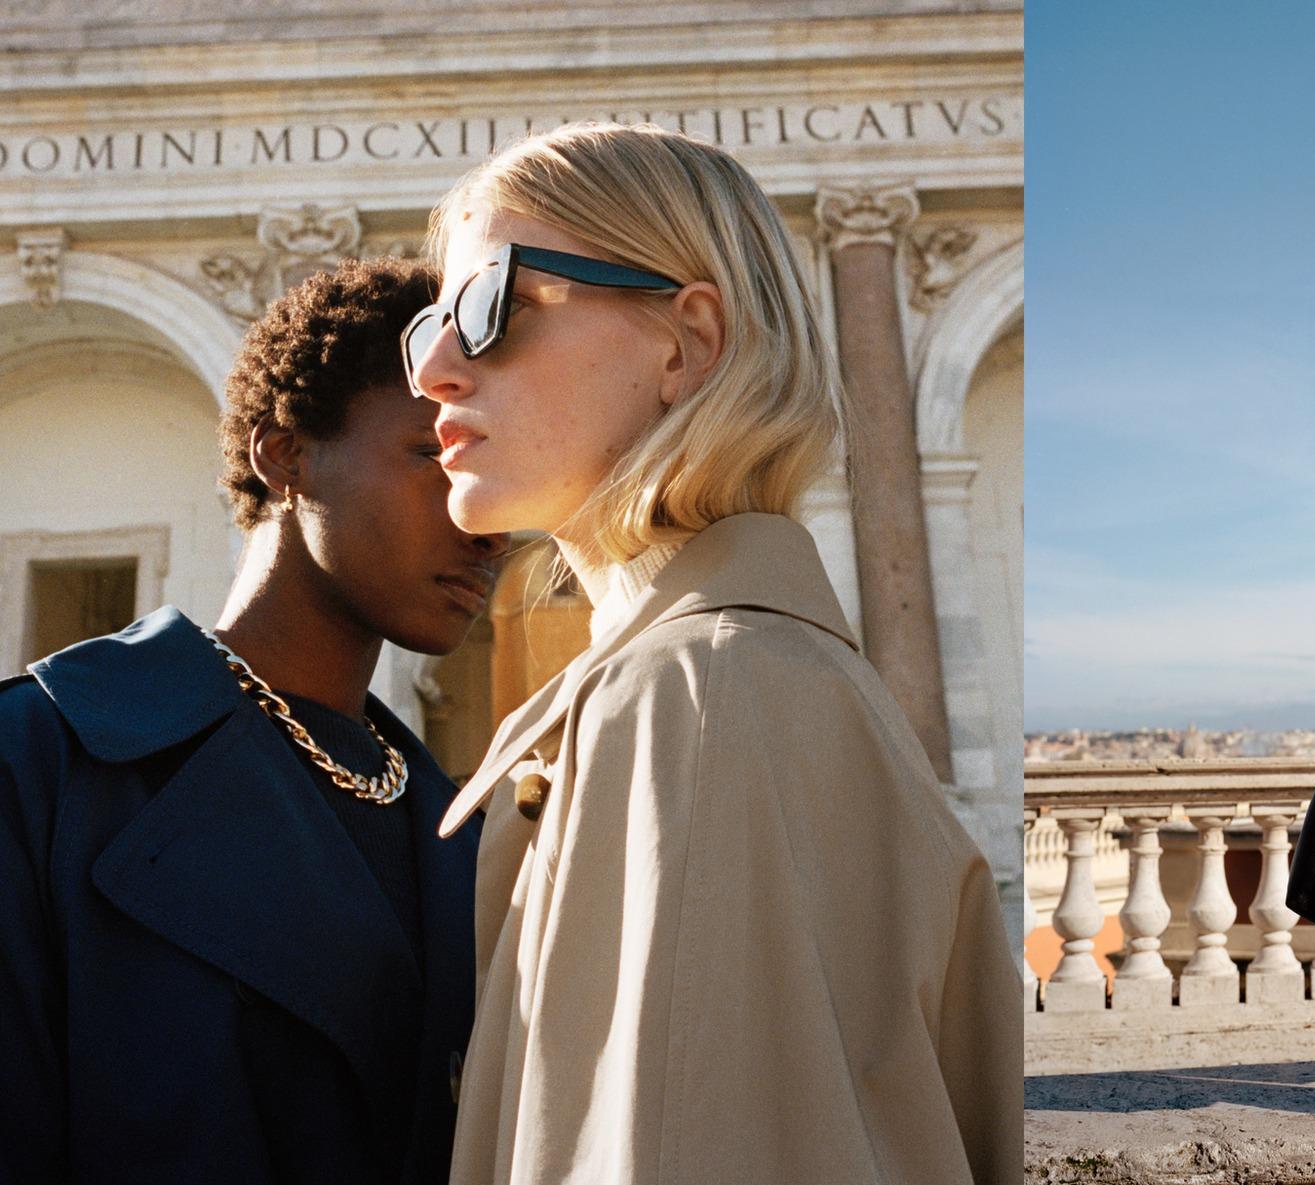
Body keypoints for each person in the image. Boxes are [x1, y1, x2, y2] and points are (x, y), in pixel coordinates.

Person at [405, 121, 1020, 1184]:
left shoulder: (692, 699)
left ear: (687, 341)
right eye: (428, 329)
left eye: (488, 305)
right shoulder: (722, 682)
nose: (438, 374)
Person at [0, 258, 509, 1183]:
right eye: (436, 454)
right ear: (286, 454)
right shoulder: (43, 760)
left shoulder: (468, 841)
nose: (484, 519)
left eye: (491, 471)